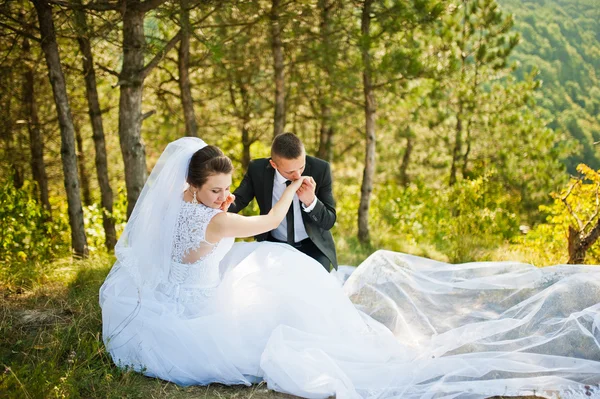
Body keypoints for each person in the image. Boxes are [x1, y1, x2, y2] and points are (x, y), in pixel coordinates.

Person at [100, 137, 600, 399]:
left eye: (223, 190)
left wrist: (219, 205)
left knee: (279, 267)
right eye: (215, 190)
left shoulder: (179, 208)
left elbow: (212, 222)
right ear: (194, 184)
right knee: (278, 284)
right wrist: (282, 197)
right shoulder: (220, 222)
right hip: (202, 311)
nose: (221, 196)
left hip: (170, 303)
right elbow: (269, 218)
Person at [229, 132, 337, 271]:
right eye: (290, 172)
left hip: (313, 246)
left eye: (301, 167)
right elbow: (238, 200)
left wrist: (311, 202)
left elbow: (329, 221)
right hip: (273, 245)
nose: (298, 175)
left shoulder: (320, 169)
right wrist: (212, 209)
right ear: (274, 164)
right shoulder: (257, 170)